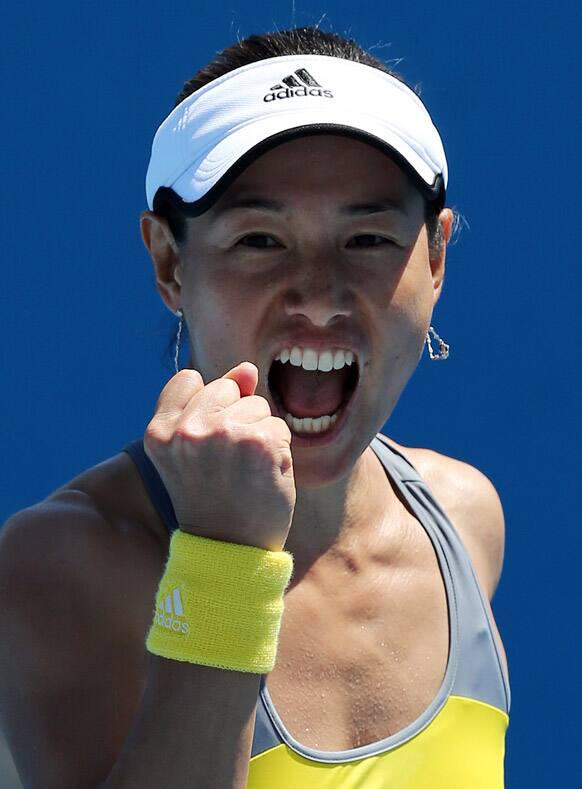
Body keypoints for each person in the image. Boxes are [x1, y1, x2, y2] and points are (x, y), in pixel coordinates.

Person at [0, 26, 510, 789]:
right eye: (260, 240)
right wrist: (224, 564)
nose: (319, 295)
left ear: (435, 257)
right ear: (170, 264)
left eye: (367, 237)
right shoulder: (59, 569)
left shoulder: (467, 517)